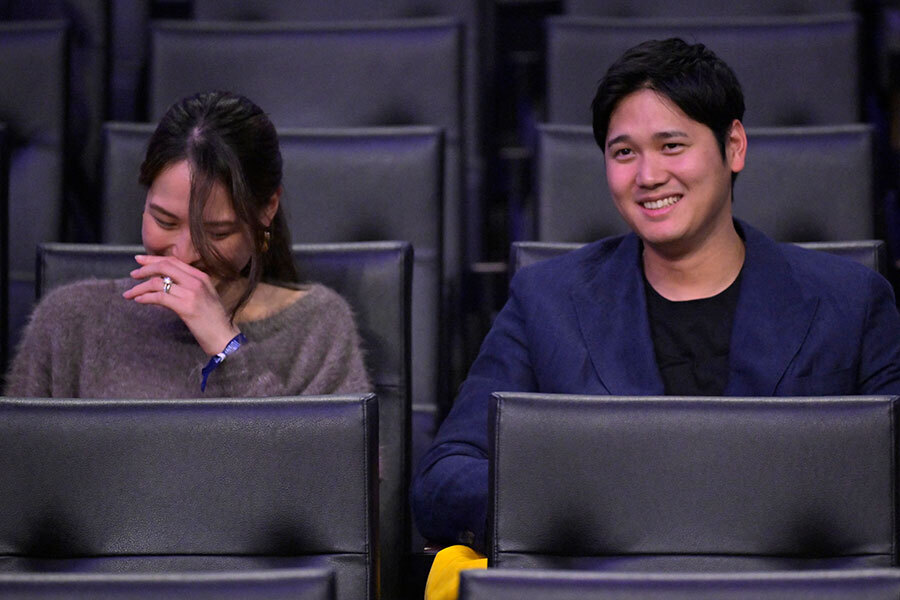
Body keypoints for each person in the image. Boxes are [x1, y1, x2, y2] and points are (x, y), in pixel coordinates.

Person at [411, 38, 900, 597]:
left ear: (733, 146)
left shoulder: (851, 302)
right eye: (624, 153)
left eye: (672, 145)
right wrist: (593, 499)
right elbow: (444, 477)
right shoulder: (547, 300)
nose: (648, 175)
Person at [4, 91, 370, 398]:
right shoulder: (72, 319)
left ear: (267, 209)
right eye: (165, 221)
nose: (185, 253)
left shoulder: (318, 326)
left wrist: (228, 348)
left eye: (217, 232)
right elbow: (21, 470)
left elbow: (331, 479)